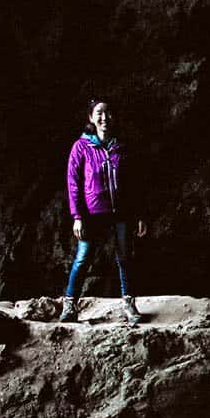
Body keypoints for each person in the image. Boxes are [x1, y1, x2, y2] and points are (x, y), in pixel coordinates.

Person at [59, 98, 147, 324]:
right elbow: (73, 183)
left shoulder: (122, 146)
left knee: (125, 258)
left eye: (108, 113)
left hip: (122, 211)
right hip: (92, 213)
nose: (104, 117)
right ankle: (70, 306)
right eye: (99, 113)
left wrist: (138, 215)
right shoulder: (81, 147)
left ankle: (129, 305)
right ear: (90, 117)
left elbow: (135, 184)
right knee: (83, 258)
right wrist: (77, 216)